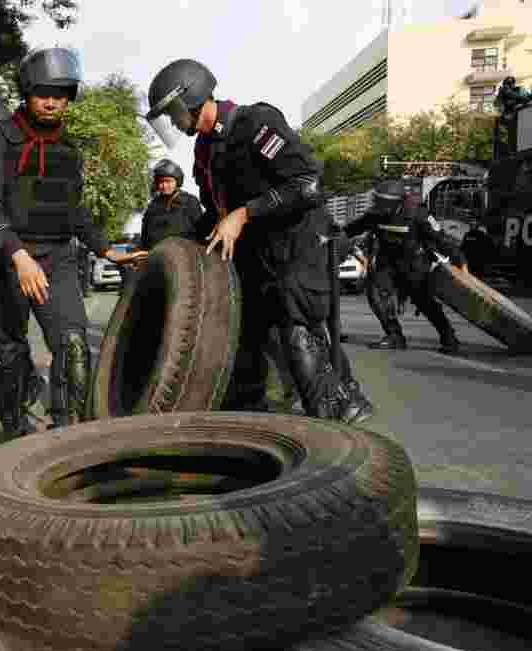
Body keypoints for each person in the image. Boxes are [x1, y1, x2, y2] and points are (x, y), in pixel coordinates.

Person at [145, 58, 374, 424]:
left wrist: (245, 213)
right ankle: (255, 422)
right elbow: (214, 212)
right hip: (258, 254)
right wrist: (174, 248)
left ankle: (338, 414)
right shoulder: (204, 151)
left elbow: (308, 184)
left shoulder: (255, 123)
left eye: (171, 114)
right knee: (246, 336)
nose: (171, 122)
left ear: (189, 99)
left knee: (299, 330)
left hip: (300, 243)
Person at [0, 47, 136, 437]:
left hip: (57, 257)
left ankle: (68, 435)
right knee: (9, 350)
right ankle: (12, 429)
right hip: (7, 258)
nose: (51, 101)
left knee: (74, 345)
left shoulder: (69, 150)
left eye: (60, 94)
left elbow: (76, 213)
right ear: (26, 92)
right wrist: (17, 254)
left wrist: (106, 248)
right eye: (43, 92)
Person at [344, 179, 467, 353]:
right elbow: (353, 228)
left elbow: (441, 240)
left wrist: (459, 260)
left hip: (414, 264)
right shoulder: (375, 214)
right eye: (377, 201)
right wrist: (332, 234)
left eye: (383, 202)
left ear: (396, 202)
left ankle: (448, 336)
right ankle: (394, 336)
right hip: (387, 264)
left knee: (424, 302)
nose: (379, 205)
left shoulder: (419, 214)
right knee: (376, 296)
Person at [137, 159, 204, 253]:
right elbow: (144, 236)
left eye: (168, 181)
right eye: (161, 182)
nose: (164, 186)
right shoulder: (153, 206)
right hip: (156, 255)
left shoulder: (190, 202)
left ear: (177, 181)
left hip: (185, 255)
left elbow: (200, 232)